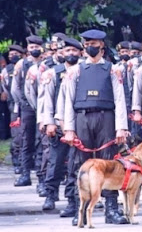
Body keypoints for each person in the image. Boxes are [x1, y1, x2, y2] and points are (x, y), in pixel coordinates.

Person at [62, 29, 129, 226]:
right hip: (82, 119)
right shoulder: (75, 71)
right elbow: (68, 101)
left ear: (102, 46)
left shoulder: (112, 69)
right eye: (88, 43)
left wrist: (121, 128)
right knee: (80, 165)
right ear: (84, 47)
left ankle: (111, 209)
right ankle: (80, 211)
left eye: (95, 43)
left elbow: (119, 99)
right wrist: (68, 129)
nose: (91, 47)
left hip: (106, 118)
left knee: (109, 164)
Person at [41, 37, 82, 213]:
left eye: (74, 51)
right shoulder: (52, 73)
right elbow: (46, 100)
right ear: (61, 53)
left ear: (80, 52)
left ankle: (73, 199)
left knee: (76, 164)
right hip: (58, 126)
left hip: (79, 126)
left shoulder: (84, 71)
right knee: (56, 162)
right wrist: (48, 122)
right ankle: (50, 195)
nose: (71, 54)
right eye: (67, 51)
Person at [11, 35, 43, 187]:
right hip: (27, 108)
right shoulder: (21, 64)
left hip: (43, 107)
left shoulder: (45, 64)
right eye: (32, 47)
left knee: (43, 141)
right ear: (27, 49)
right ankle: (25, 174)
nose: (34, 50)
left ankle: (42, 175)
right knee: (26, 140)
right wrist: (22, 103)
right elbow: (15, 88)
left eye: (37, 47)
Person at [1, 45, 25, 174]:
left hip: (27, 104)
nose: (12, 56)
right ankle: (17, 161)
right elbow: (4, 86)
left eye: (15, 53)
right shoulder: (7, 70)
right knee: (16, 133)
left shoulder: (27, 66)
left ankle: (26, 160)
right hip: (14, 105)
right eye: (10, 54)